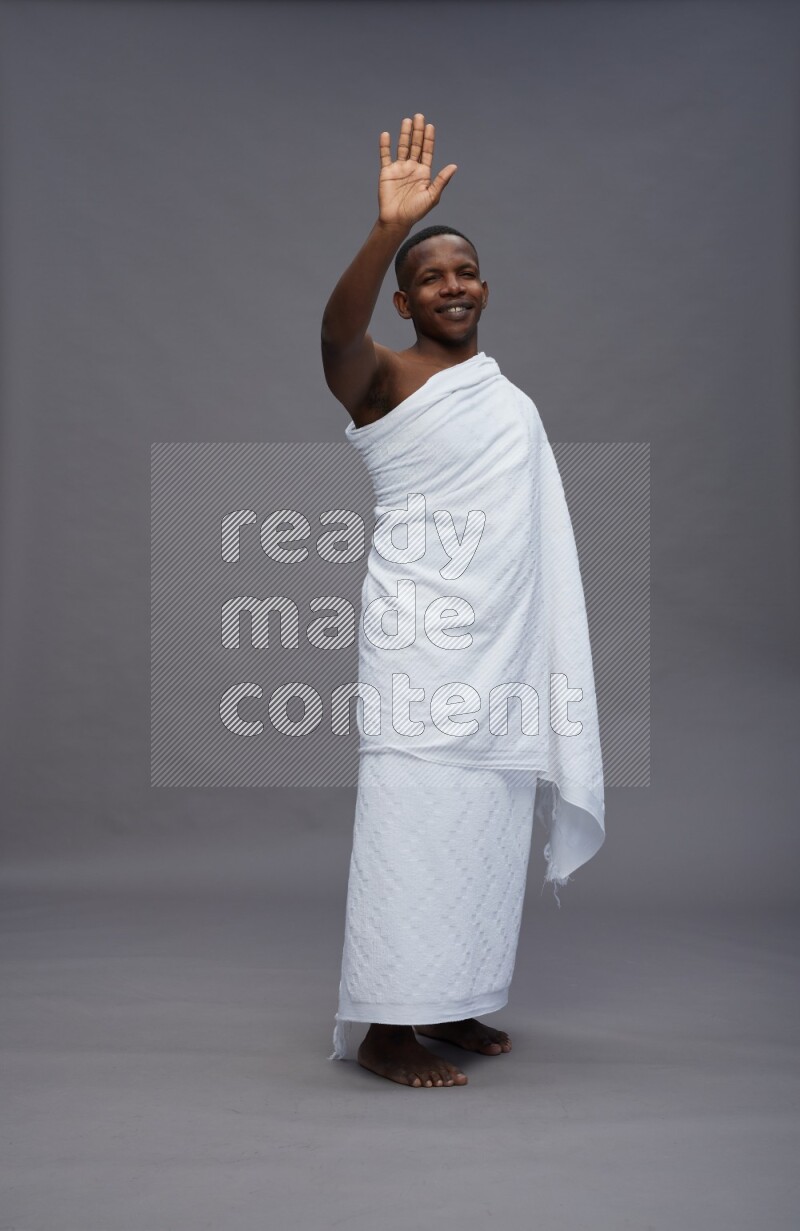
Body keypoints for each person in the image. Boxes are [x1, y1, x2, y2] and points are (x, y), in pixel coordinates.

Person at [321, 114, 605, 1088]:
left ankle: (446, 999)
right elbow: (335, 334)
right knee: (413, 822)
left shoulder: (505, 397)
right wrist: (385, 228)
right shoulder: (384, 379)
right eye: (431, 276)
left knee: (483, 820)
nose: (453, 285)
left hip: (500, 645)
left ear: (484, 287)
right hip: (421, 638)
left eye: (467, 271)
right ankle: (384, 1028)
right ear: (404, 300)